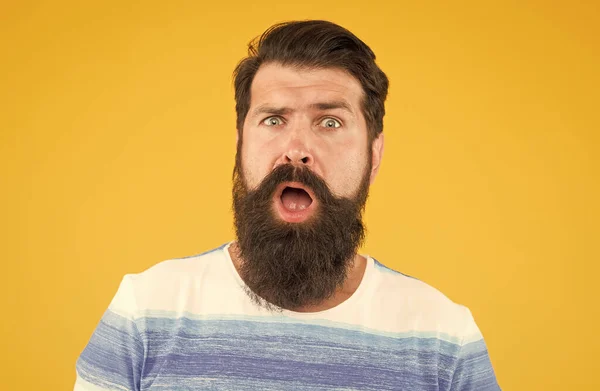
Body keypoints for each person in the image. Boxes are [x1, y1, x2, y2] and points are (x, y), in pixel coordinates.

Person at [74, 20, 501, 390]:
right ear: (241, 145)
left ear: (373, 155)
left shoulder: (444, 336)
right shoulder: (145, 311)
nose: (296, 150)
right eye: (273, 120)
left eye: (330, 122)